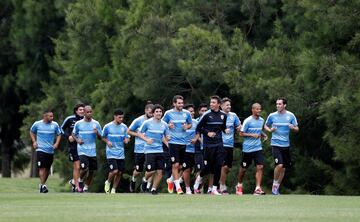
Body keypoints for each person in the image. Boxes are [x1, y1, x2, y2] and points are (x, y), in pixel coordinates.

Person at [264, 97, 299, 195]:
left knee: (283, 168)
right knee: (279, 165)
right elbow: (265, 126)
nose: (278, 106)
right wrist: (270, 130)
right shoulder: (272, 115)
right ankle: (274, 185)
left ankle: (277, 188)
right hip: (275, 144)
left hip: (286, 145)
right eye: (277, 104)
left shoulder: (291, 115)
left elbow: (297, 129)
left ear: (284, 105)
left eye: (280, 104)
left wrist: (293, 128)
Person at [193, 95, 227, 195]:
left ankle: (214, 189)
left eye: (213, 102)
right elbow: (198, 128)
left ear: (219, 104)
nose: (211, 104)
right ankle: (199, 178)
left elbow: (222, 128)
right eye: (211, 102)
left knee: (218, 166)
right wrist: (207, 133)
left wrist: (226, 130)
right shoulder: (206, 115)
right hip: (208, 145)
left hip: (219, 144)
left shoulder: (223, 115)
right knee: (207, 168)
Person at [162, 95, 192, 194]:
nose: (181, 105)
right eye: (179, 103)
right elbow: (161, 125)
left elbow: (190, 124)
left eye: (182, 103)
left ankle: (170, 180)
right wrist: (168, 125)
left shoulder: (187, 113)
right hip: (173, 142)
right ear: (174, 103)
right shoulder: (168, 113)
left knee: (181, 167)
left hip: (183, 142)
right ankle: (178, 188)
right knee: (176, 164)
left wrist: (186, 127)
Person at [235, 103, 267, 195]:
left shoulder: (261, 120)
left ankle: (257, 188)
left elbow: (258, 130)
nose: (259, 111)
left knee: (260, 166)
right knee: (244, 169)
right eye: (257, 109)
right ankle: (239, 185)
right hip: (247, 149)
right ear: (252, 110)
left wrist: (263, 134)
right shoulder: (248, 121)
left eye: (260, 109)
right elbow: (241, 133)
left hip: (258, 148)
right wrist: (252, 135)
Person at [138, 104, 170, 195]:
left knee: (160, 171)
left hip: (160, 150)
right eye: (157, 112)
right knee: (151, 171)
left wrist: (168, 142)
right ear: (153, 113)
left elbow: (165, 137)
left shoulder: (164, 125)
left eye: (160, 112)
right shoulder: (147, 123)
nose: (159, 113)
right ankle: (144, 180)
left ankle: (154, 189)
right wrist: (146, 140)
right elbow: (139, 133)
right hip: (149, 150)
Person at [30, 110, 61, 193]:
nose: (52, 118)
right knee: (42, 167)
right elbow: (32, 132)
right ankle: (43, 185)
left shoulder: (55, 125)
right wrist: (34, 141)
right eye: (50, 116)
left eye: (52, 116)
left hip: (50, 150)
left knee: (47, 169)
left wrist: (56, 143)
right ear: (45, 116)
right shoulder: (37, 124)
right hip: (40, 149)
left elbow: (59, 134)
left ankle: (42, 184)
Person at [72, 105, 102, 192]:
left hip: (92, 150)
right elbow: (73, 134)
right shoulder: (78, 124)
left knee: (92, 171)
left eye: (90, 112)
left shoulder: (96, 124)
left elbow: (101, 138)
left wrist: (97, 134)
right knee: (84, 168)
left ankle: (86, 187)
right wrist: (77, 140)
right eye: (87, 112)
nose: (89, 113)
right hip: (82, 150)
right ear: (84, 113)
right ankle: (79, 180)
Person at [128, 103, 154, 192]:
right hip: (140, 149)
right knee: (138, 170)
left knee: (151, 169)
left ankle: (146, 186)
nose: (152, 114)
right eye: (150, 112)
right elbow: (129, 131)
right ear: (146, 111)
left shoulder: (155, 121)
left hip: (151, 148)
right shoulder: (138, 120)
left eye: (153, 112)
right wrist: (138, 135)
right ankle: (133, 179)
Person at [102, 109, 130, 194]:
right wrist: (107, 142)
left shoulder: (124, 127)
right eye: (119, 117)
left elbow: (127, 136)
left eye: (122, 117)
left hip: (120, 153)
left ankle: (113, 189)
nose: (121, 119)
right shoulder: (107, 126)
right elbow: (102, 136)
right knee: (114, 171)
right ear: (115, 117)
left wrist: (126, 140)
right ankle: (108, 182)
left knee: (120, 172)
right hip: (111, 152)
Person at [219, 98, 241, 194]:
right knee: (223, 166)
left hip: (230, 145)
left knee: (228, 167)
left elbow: (238, 127)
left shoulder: (233, 116)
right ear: (221, 106)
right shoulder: (218, 115)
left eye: (229, 105)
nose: (229, 107)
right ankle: (222, 186)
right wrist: (222, 129)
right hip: (220, 144)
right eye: (227, 105)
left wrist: (239, 128)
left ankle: (220, 182)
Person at [61, 103, 85, 192]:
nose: (82, 111)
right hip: (73, 146)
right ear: (76, 111)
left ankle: (74, 181)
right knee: (77, 167)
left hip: (84, 146)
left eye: (83, 110)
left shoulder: (86, 120)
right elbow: (61, 128)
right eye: (80, 110)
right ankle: (76, 186)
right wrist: (68, 136)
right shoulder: (70, 119)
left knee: (84, 167)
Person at [183, 104, 199, 195]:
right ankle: (188, 188)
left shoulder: (196, 122)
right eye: (190, 111)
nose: (192, 113)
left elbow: (198, 133)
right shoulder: (182, 122)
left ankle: (178, 180)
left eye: (193, 111)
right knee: (187, 169)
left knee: (195, 170)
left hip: (195, 150)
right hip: (185, 149)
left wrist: (195, 139)